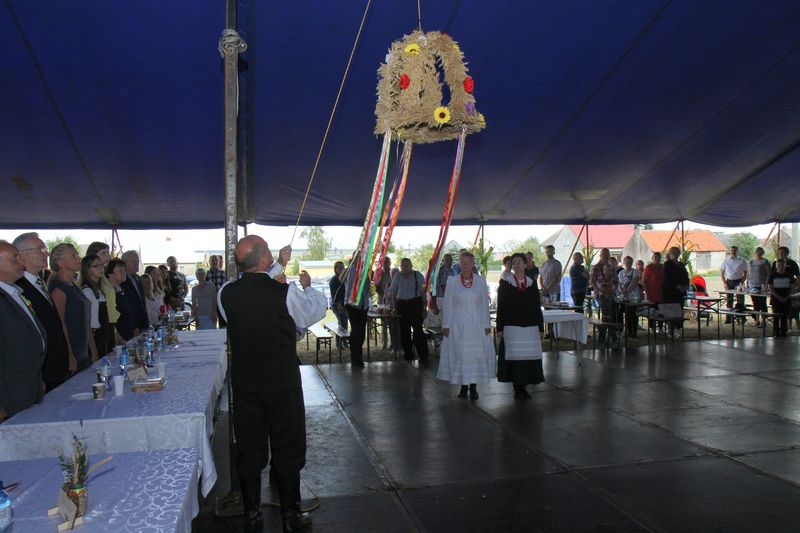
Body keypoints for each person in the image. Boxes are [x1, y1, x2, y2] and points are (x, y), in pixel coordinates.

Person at [218, 235, 325, 529]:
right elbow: (315, 309)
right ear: (264, 257)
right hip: (281, 382)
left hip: (246, 384)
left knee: (249, 447)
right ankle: (291, 514)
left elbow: (250, 305)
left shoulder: (225, 293)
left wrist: (278, 267)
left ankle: (251, 514)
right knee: (288, 445)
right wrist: (308, 288)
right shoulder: (285, 293)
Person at [13, 232, 74, 390]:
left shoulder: (38, 282)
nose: (46, 253)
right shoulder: (19, 287)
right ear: (21, 255)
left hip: (55, 365)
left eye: (45, 249)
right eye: (39, 249)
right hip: (43, 371)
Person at [437, 251, 495, 400]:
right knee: (461, 356)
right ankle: (463, 388)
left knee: (474, 356)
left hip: (476, 325)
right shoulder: (452, 281)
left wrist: (486, 324)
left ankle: (474, 387)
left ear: (473, 263)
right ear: (459, 264)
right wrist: (446, 325)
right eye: (462, 262)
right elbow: (448, 304)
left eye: (468, 262)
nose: (465, 265)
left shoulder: (481, 281)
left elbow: (484, 304)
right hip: (458, 325)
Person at [0, 240, 47, 422]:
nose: (21, 263)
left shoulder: (14, 292)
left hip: (28, 387)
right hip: (11, 395)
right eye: (15, 259)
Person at [496, 253, 545, 399]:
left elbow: (537, 307)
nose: (516, 265)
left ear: (525, 264)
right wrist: (500, 327)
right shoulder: (506, 283)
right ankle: (517, 387)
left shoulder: (531, 283)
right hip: (512, 326)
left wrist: (541, 328)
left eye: (519, 262)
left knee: (527, 358)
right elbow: (501, 307)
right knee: (515, 359)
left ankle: (524, 386)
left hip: (530, 326)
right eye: (514, 262)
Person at [49, 243, 95, 371]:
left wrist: (93, 351)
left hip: (83, 352)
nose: (78, 258)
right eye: (73, 256)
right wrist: (69, 355)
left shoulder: (74, 286)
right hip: (73, 352)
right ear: (60, 263)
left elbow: (85, 321)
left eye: (77, 255)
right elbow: (60, 324)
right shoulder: (58, 288)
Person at [392, 258, 429, 362]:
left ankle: (423, 356)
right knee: (404, 332)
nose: (405, 267)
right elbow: (393, 293)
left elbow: (423, 293)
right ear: (400, 266)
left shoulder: (418, 275)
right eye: (403, 265)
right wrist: (395, 308)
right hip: (402, 306)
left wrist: (424, 308)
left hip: (415, 304)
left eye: (407, 265)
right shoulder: (397, 275)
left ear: (411, 265)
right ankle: (408, 355)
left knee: (418, 331)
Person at [86, 242, 118, 348]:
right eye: (103, 253)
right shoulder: (89, 285)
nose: (107, 257)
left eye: (108, 253)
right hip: (97, 328)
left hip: (108, 325)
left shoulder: (102, 278)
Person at [80, 254, 111, 359]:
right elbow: (89, 323)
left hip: (102, 333)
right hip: (95, 336)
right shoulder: (87, 291)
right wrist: (93, 351)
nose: (101, 268)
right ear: (87, 269)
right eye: (96, 266)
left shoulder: (98, 290)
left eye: (102, 265)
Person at [343, 252, 371, 368]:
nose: (360, 258)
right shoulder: (352, 269)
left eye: (362, 256)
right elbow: (345, 282)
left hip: (363, 305)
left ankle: (357, 357)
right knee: (356, 332)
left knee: (361, 332)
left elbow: (367, 286)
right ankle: (356, 358)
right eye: (358, 257)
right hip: (353, 305)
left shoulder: (364, 269)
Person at [106, 258, 136, 342]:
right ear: (110, 273)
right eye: (120, 270)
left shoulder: (122, 289)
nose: (124, 273)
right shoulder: (108, 292)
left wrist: (134, 327)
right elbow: (110, 318)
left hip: (129, 334)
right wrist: (119, 337)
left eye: (124, 270)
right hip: (117, 338)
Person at [661, 246, 690, 333]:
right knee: (671, 313)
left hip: (680, 293)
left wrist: (685, 286)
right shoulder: (667, 264)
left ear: (679, 254)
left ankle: (678, 330)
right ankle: (670, 330)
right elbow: (668, 278)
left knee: (679, 311)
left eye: (676, 252)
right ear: (669, 254)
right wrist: (678, 286)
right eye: (672, 252)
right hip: (670, 292)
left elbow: (686, 276)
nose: (675, 254)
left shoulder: (681, 265)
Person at [771, 246, 800, 332]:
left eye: (783, 252)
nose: (781, 254)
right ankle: (776, 330)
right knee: (776, 311)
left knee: (790, 310)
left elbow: (798, 276)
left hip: (790, 289)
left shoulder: (793, 263)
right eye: (779, 253)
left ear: (787, 253)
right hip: (777, 290)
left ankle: (787, 328)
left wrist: (797, 286)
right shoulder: (774, 263)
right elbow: (771, 276)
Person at [121, 250, 149, 331]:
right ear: (124, 263)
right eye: (133, 261)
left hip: (143, 324)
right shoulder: (121, 281)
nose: (136, 264)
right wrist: (133, 327)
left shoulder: (138, 278)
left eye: (137, 261)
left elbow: (142, 302)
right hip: (130, 327)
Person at [720, 246, 748, 321]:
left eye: (735, 250)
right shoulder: (726, 261)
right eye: (732, 250)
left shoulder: (742, 261)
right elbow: (722, 273)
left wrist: (741, 283)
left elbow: (746, 273)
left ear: (737, 251)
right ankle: (728, 319)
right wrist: (724, 283)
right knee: (729, 300)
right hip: (729, 282)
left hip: (739, 281)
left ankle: (742, 319)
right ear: (730, 251)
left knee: (740, 301)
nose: (733, 251)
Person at [768, 259, 794, 337]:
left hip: (786, 298)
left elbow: (792, 287)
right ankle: (776, 331)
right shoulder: (772, 275)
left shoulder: (789, 275)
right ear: (776, 266)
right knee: (776, 315)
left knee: (784, 315)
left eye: (782, 265)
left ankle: (783, 331)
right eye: (779, 265)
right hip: (776, 299)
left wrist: (787, 297)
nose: (781, 266)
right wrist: (778, 297)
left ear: (785, 265)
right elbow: (770, 287)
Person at [618, 256, 642, 337]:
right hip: (623, 297)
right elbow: (619, 283)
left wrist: (627, 291)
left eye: (630, 262)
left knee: (633, 314)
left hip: (632, 296)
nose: (628, 263)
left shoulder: (635, 272)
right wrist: (622, 291)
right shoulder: (621, 273)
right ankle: (627, 330)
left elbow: (634, 283)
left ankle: (633, 331)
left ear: (632, 263)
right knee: (626, 314)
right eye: (626, 262)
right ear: (624, 262)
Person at [747, 247, 771, 327]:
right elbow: (748, 273)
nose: (758, 253)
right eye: (757, 251)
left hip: (762, 285)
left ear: (763, 253)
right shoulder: (751, 262)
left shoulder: (765, 261)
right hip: (752, 284)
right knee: (755, 303)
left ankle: (763, 321)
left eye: (760, 252)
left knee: (762, 303)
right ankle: (757, 320)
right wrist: (747, 283)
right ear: (755, 252)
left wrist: (767, 284)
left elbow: (769, 274)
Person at [329, 261, 348, 349]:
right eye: (339, 267)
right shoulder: (334, 280)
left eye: (342, 267)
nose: (341, 269)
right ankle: (338, 344)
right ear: (335, 269)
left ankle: (345, 342)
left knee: (345, 323)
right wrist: (339, 305)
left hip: (345, 304)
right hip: (337, 305)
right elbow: (335, 294)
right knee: (341, 323)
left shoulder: (344, 278)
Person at [206, 254, 227, 327]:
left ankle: (223, 337)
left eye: (216, 260)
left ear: (219, 262)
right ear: (209, 262)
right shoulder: (206, 274)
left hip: (221, 301)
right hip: (209, 302)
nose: (214, 262)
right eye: (212, 260)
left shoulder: (223, 273)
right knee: (211, 322)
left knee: (223, 323)